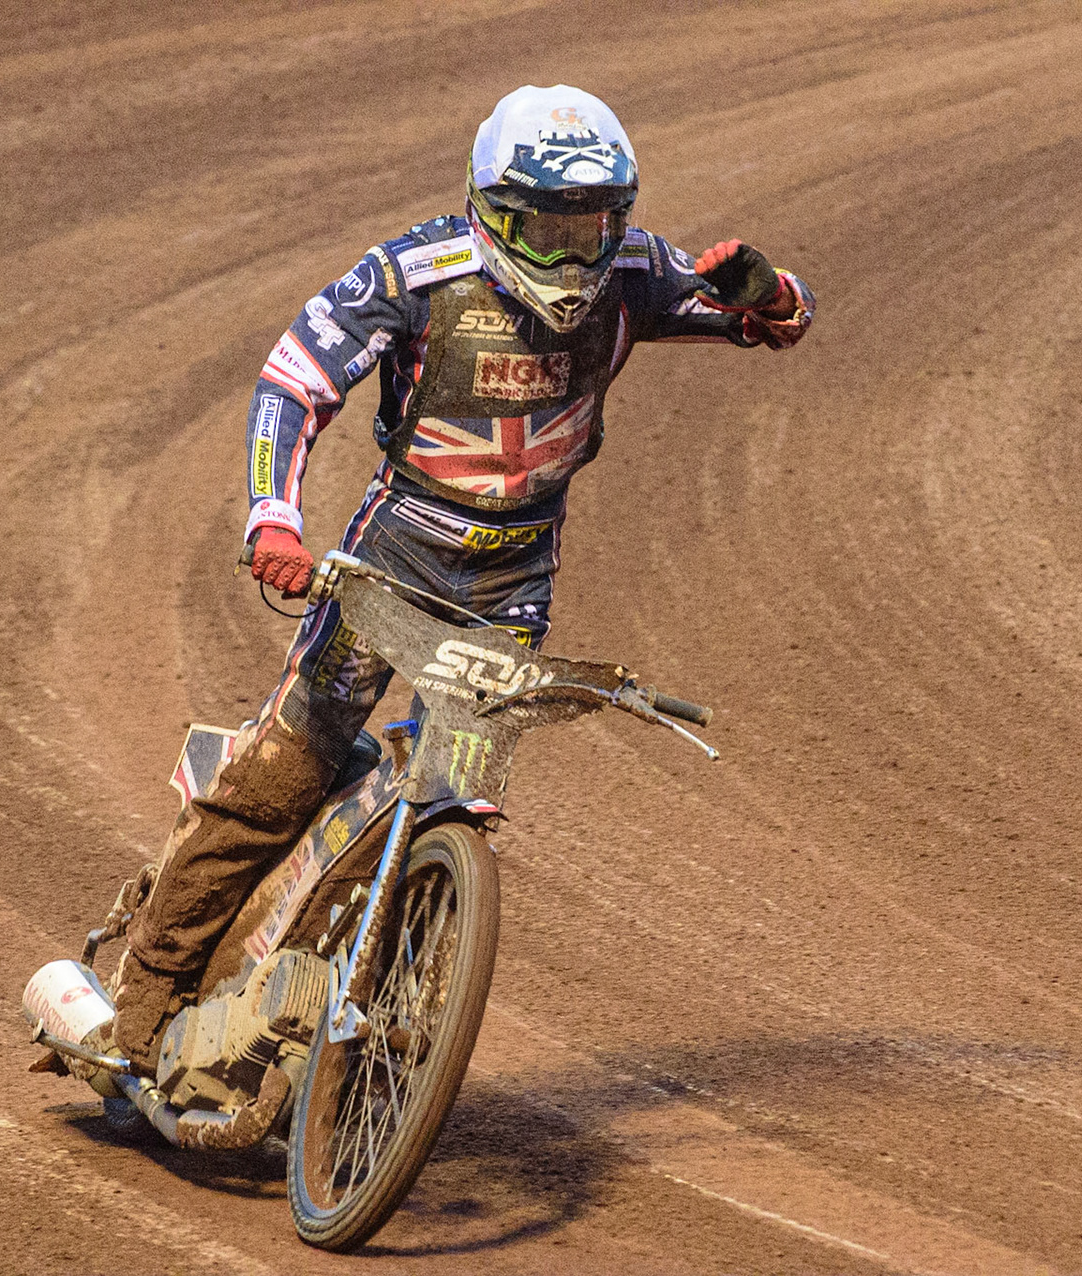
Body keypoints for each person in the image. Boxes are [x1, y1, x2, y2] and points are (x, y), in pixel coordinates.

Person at [107, 84, 816, 1069]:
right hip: (389, 564)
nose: (576, 253)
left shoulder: (637, 274)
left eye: (596, 225)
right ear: (493, 211)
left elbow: (779, 323)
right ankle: (138, 1001)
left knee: (461, 798)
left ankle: (371, 1020)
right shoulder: (414, 274)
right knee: (280, 776)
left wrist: (764, 288)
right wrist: (274, 514)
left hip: (513, 590)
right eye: (551, 228)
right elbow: (293, 377)